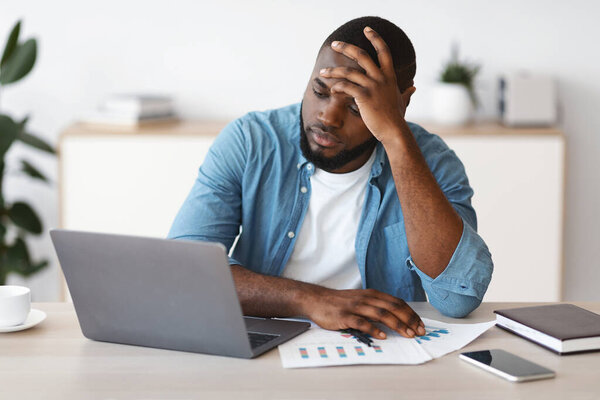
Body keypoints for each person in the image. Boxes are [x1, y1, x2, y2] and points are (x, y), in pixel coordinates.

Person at [168, 16, 493, 340]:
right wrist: (309, 299)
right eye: (319, 91)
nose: (328, 116)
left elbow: (457, 298)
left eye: (355, 107)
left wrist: (396, 140)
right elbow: (184, 271)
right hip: (267, 340)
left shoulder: (434, 163)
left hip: (382, 348)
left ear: (401, 103)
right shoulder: (251, 141)